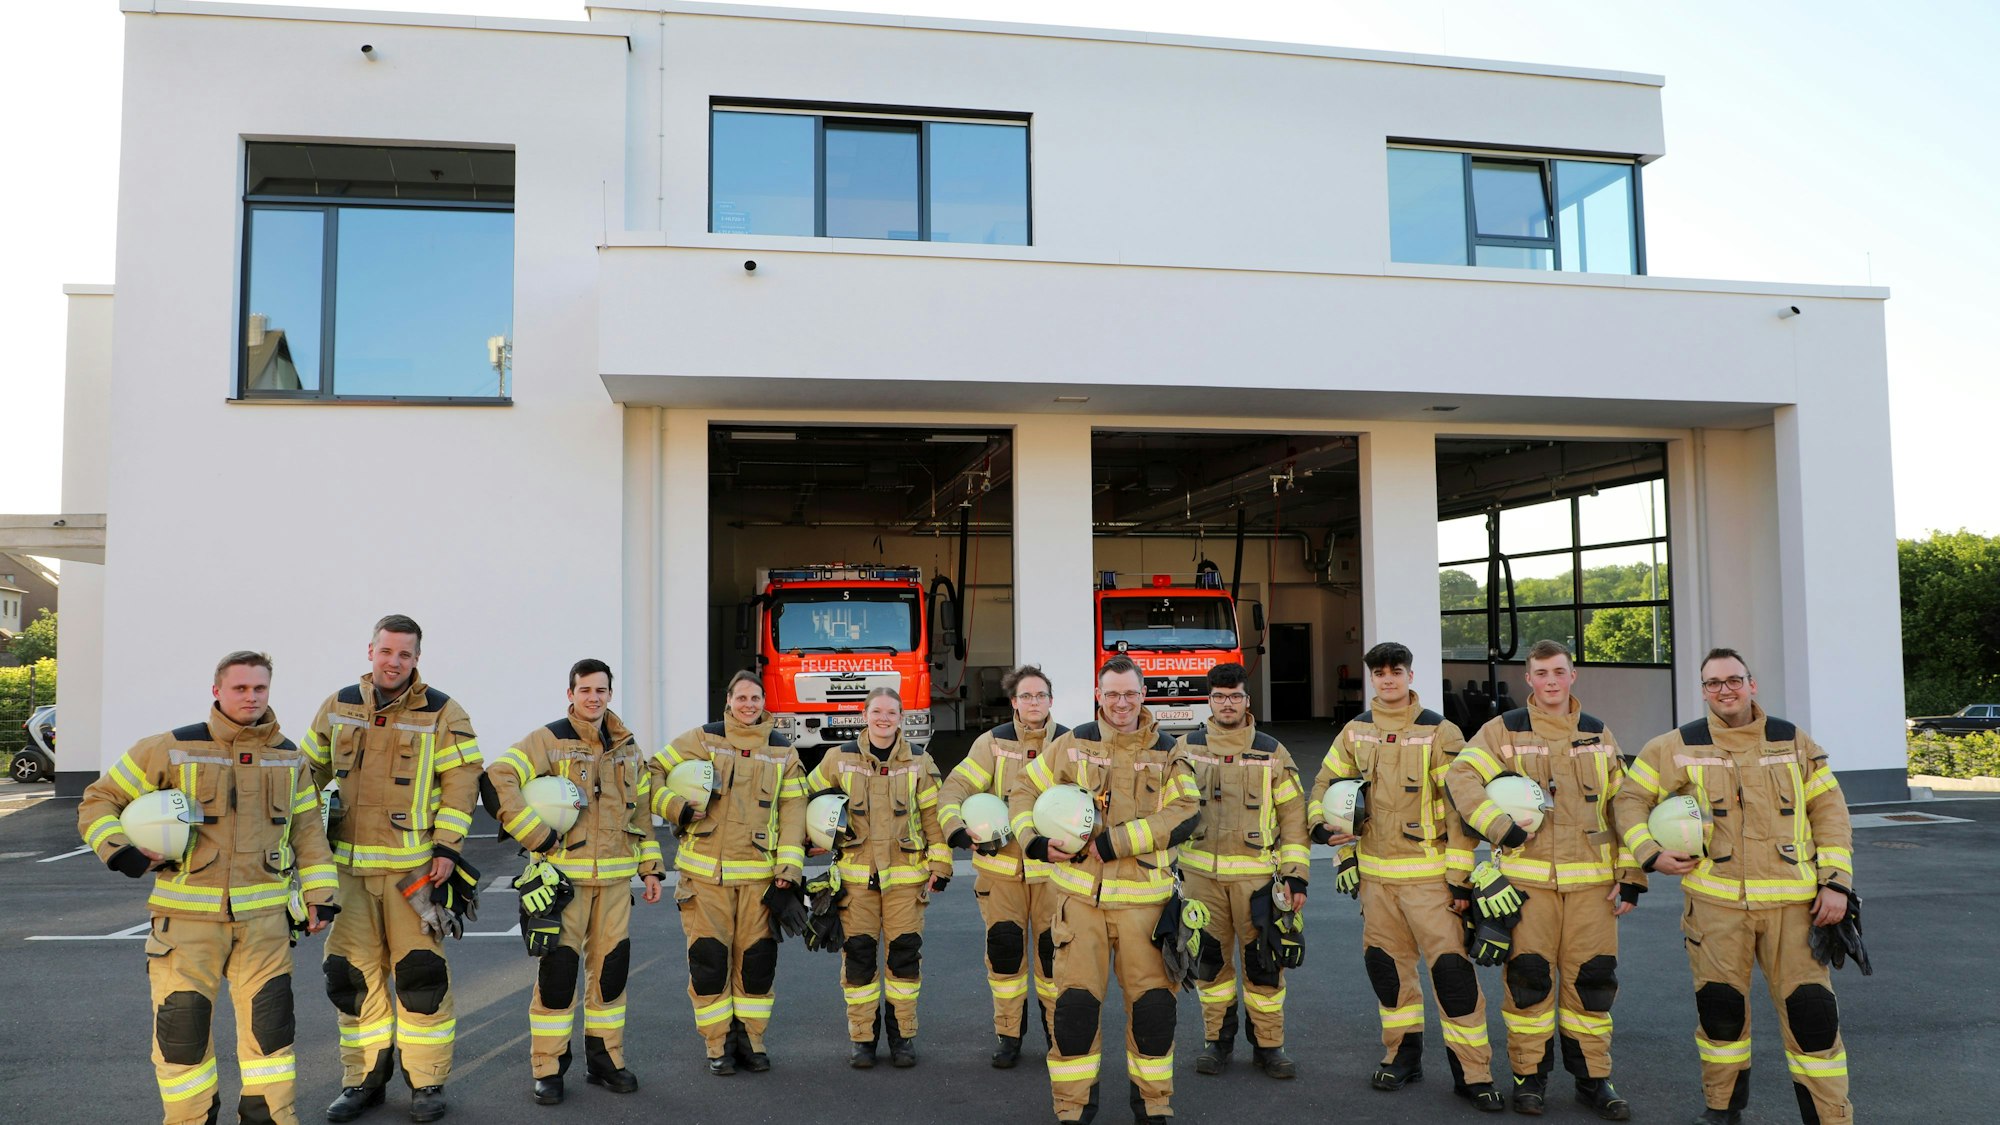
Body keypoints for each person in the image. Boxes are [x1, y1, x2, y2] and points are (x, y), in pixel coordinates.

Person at [79, 650, 338, 1125]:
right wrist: (123, 853)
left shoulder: (289, 757)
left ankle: (271, 1119)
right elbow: (98, 800)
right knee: (182, 1040)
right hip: (185, 926)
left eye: (259, 688)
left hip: (265, 926)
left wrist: (321, 896)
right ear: (217, 690)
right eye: (240, 688)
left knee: (271, 1036)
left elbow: (309, 835)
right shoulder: (171, 748)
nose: (251, 697)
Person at [1612, 649, 1855, 1125]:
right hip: (1715, 909)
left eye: (1733, 680)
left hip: (1796, 908)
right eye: (1713, 683)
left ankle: (1832, 1117)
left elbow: (1830, 813)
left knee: (1813, 1018)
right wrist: (1650, 855)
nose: (1724, 690)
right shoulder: (1675, 745)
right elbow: (1628, 800)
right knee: (1720, 1014)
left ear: (1752, 684)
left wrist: (1837, 884)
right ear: (1703, 691)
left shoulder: (1793, 742)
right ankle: (1722, 1111)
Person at [1446, 640, 1639, 1121]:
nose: (1551, 680)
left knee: (1593, 986)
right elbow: (1461, 778)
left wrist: (1631, 873)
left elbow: (1624, 805)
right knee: (1528, 983)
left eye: (1558, 671)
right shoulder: (1503, 730)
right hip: (1526, 888)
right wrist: (1496, 824)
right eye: (1541, 673)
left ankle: (1594, 1080)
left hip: (1593, 888)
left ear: (1572, 676)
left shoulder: (1598, 733)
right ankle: (1529, 1079)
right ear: (1528, 679)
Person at [302, 615, 482, 1123]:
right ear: (370, 651)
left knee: (420, 980)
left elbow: (463, 780)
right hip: (348, 874)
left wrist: (447, 847)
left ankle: (426, 1084)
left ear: (417, 659)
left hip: (415, 874)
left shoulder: (444, 712)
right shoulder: (337, 706)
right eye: (386, 651)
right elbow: (304, 778)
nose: (394, 661)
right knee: (352, 980)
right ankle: (362, 1082)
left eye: (405, 654)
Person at [1009, 655, 1202, 1125]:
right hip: (1080, 909)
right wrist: (1034, 842)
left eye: (1130, 693)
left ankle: (1154, 1107)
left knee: (1155, 1016)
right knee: (1074, 1013)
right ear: (1099, 695)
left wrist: (1116, 842)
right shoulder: (1071, 744)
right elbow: (1021, 791)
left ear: (1143, 695)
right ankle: (1072, 1111)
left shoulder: (1169, 749)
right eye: (1112, 693)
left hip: (1147, 909)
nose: (1121, 703)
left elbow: (1188, 812)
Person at [1310, 641, 1495, 1108]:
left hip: (1431, 880)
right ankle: (1402, 1057)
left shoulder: (1441, 731)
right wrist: (1320, 826)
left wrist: (1460, 879)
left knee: (1452, 976)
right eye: (1380, 673)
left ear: (1411, 676)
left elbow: (1460, 808)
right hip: (1376, 882)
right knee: (1389, 974)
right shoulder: (1355, 733)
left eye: (1396, 671)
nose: (1388, 680)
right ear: (1372, 678)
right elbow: (1326, 785)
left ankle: (1473, 1073)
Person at [486, 659, 665, 1104]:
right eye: (585, 690)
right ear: (570, 693)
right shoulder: (549, 739)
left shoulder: (627, 747)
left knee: (610, 975)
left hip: (617, 882)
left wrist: (650, 867)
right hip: (563, 882)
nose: (593, 697)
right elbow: (498, 776)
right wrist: (535, 834)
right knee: (559, 976)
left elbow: (639, 811)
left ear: (609, 693)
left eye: (601, 690)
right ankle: (547, 1068)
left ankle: (606, 1060)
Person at [650, 670, 808, 1075]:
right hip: (705, 879)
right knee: (709, 962)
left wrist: (789, 867)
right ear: (729, 700)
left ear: (763, 702)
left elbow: (794, 815)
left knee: (756, 964)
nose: (749, 705)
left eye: (755, 698)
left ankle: (752, 1041)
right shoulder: (703, 738)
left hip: (760, 880)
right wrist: (677, 807)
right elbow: (651, 773)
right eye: (742, 698)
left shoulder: (783, 752)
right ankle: (717, 1045)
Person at [803, 687, 952, 1068]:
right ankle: (863, 1039)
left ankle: (902, 1037)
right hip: (855, 881)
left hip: (905, 881)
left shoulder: (920, 762)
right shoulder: (839, 758)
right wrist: (814, 837)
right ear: (865, 715)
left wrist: (941, 863)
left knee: (903, 960)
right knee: (859, 959)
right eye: (877, 712)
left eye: (891, 712)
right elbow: (806, 798)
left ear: (900, 718)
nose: (884, 718)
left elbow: (934, 817)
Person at [1177, 662, 1311, 1079]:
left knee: (1265, 965)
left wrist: (1296, 875)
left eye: (1235, 696)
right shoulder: (1185, 747)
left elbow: (1293, 817)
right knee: (1209, 966)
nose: (1227, 703)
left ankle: (1270, 1046)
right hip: (1200, 880)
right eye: (1219, 697)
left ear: (1247, 700)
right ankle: (1217, 1043)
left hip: (1258, 881)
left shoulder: (1272, 751)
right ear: (1209, 701)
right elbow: (1165, 811)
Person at [938, 663, 1070, 1067]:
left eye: (1041, 695)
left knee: (1054, 960)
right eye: (1026, 696)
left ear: (1051, 700)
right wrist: (957, 832)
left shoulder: (1070, 742)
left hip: (1055, 877)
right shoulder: (991, 743)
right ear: (1014, 701)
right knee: (1005, 956)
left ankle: (1056, 1035)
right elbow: (954, 789)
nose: (1034, 702)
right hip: (1001, 876)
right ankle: (1009, 1035)